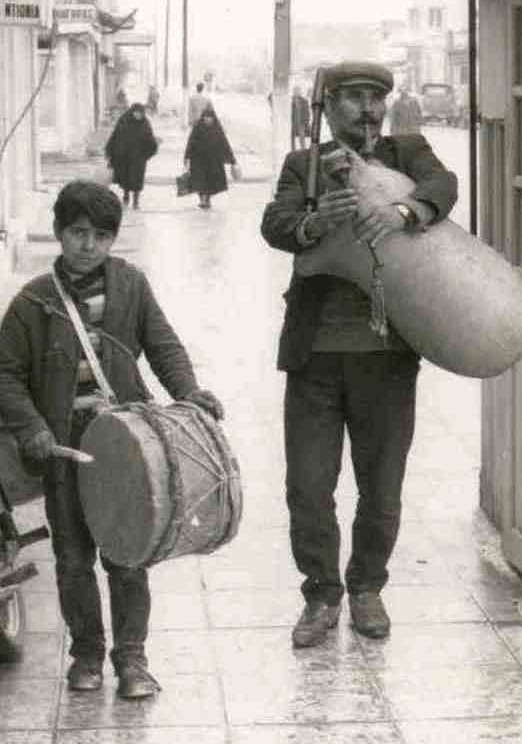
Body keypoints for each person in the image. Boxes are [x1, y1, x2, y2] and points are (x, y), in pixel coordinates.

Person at [0, 180, 224, 698]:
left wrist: (190, 393)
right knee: (73, 558)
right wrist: (33, 429)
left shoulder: (130, 286)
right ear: (59, 233)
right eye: (76, 233)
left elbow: (164, 347)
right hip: (64, 449)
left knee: (128, 554)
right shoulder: (34, 301)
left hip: (127, 446)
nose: (88, 245)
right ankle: (86, 656)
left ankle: (132, 660)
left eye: (99, 235)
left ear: (113, 238)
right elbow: (4, 375)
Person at [260, 61, 458, 648]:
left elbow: (444, 187)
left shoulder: (408, 152)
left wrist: (403, 211)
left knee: (382, 486)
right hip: (315, 358)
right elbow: (275, 224)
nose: (366, 109)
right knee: (309, 486)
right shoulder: (306, 165)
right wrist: (314, 220)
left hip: (387, 357)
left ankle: (367, 588)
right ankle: (321, 595)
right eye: (352, 98)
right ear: (329, 105)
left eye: (375, 97)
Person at [105, 102, 158, 210]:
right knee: (126, 178)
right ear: (132, 112)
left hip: (139, 158)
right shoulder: (123, 120)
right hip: (124, 157)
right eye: (136, 113)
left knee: (137, 179)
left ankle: (136, 200)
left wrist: (147, 153)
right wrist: (110, 151)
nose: (138, 115)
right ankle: (126, 196)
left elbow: (151, 140)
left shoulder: (145, 123)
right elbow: (115, 136)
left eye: (140, 113)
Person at [184, 104, 238, 210]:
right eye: (206, 117)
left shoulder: (217, 130)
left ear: (213, 118)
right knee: (200, 182)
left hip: (213, 161)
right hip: (198, 161)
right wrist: (187, 157)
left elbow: (224, 144)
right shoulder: (198, 128)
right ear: (203, 117)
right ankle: (203, 201)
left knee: (210, 182)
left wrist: (232, 160)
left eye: (210, 117)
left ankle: (206, 199)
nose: (207, 119)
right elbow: (190, 142)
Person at [291, 84, 311, 151]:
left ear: (300, 92)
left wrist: (306, 122)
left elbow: (307, 113)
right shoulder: (291, 100)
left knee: (302, 138)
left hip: (301, 123)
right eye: (295, 91)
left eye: (297, 91)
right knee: (292, 138)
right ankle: (293, 150)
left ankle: (303, 150)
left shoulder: (304, 101)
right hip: (293, 122)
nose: (296, 92)